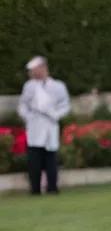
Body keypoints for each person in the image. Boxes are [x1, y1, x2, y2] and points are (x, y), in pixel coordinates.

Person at [18, 56, 71, 195]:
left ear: (43, 68)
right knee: (34, 159)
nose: (32, 73)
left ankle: (52, 187)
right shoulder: (29, 86)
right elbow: (23, 105)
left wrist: (56, 115)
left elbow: (65, 105)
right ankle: (35, 188)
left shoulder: (58, 86)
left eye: (35, 70)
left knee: (51, 159)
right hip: (35, 125)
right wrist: (28, 117)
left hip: (50, 125)